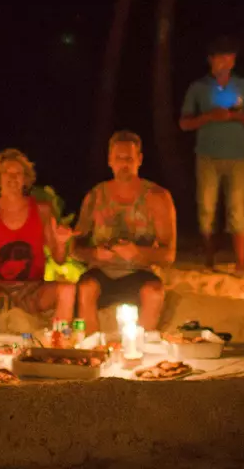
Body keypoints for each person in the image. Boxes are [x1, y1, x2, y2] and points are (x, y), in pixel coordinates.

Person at [0, 149, 76, 331]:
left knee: (67, 289)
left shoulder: (42, 210)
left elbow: (59, 259)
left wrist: (60, 242)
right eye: (7, 173)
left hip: (33, 291)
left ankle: (57, 347)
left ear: (25, 178)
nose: (12, 177)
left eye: (18, 173)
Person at [71, 131, 177, 335]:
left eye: (129, 158)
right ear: (110, 160)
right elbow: (76, 248)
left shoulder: (157, 197)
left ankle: (141, 348)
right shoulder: (95, 196)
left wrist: (138, 253)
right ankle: (92, 349)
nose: (123, 164)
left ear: (139, 159)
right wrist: (95, 254)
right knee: (86, 288)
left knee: (153, 292)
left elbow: (168, 255)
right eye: (118, 159)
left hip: (140, 272)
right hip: (102, 270)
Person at [179, 35, 244, 274]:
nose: (224, 63)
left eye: (229, 58)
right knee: (206, 207)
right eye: (220, 58)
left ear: (234, 61)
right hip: (206, 156)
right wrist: (207, 117)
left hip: (237, 157)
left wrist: (234, 116)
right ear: (211, 60)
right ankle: (209, 259)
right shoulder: (198, 88)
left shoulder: (243, 86)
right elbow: (184, 123)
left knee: (237, 207)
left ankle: (240, 263)